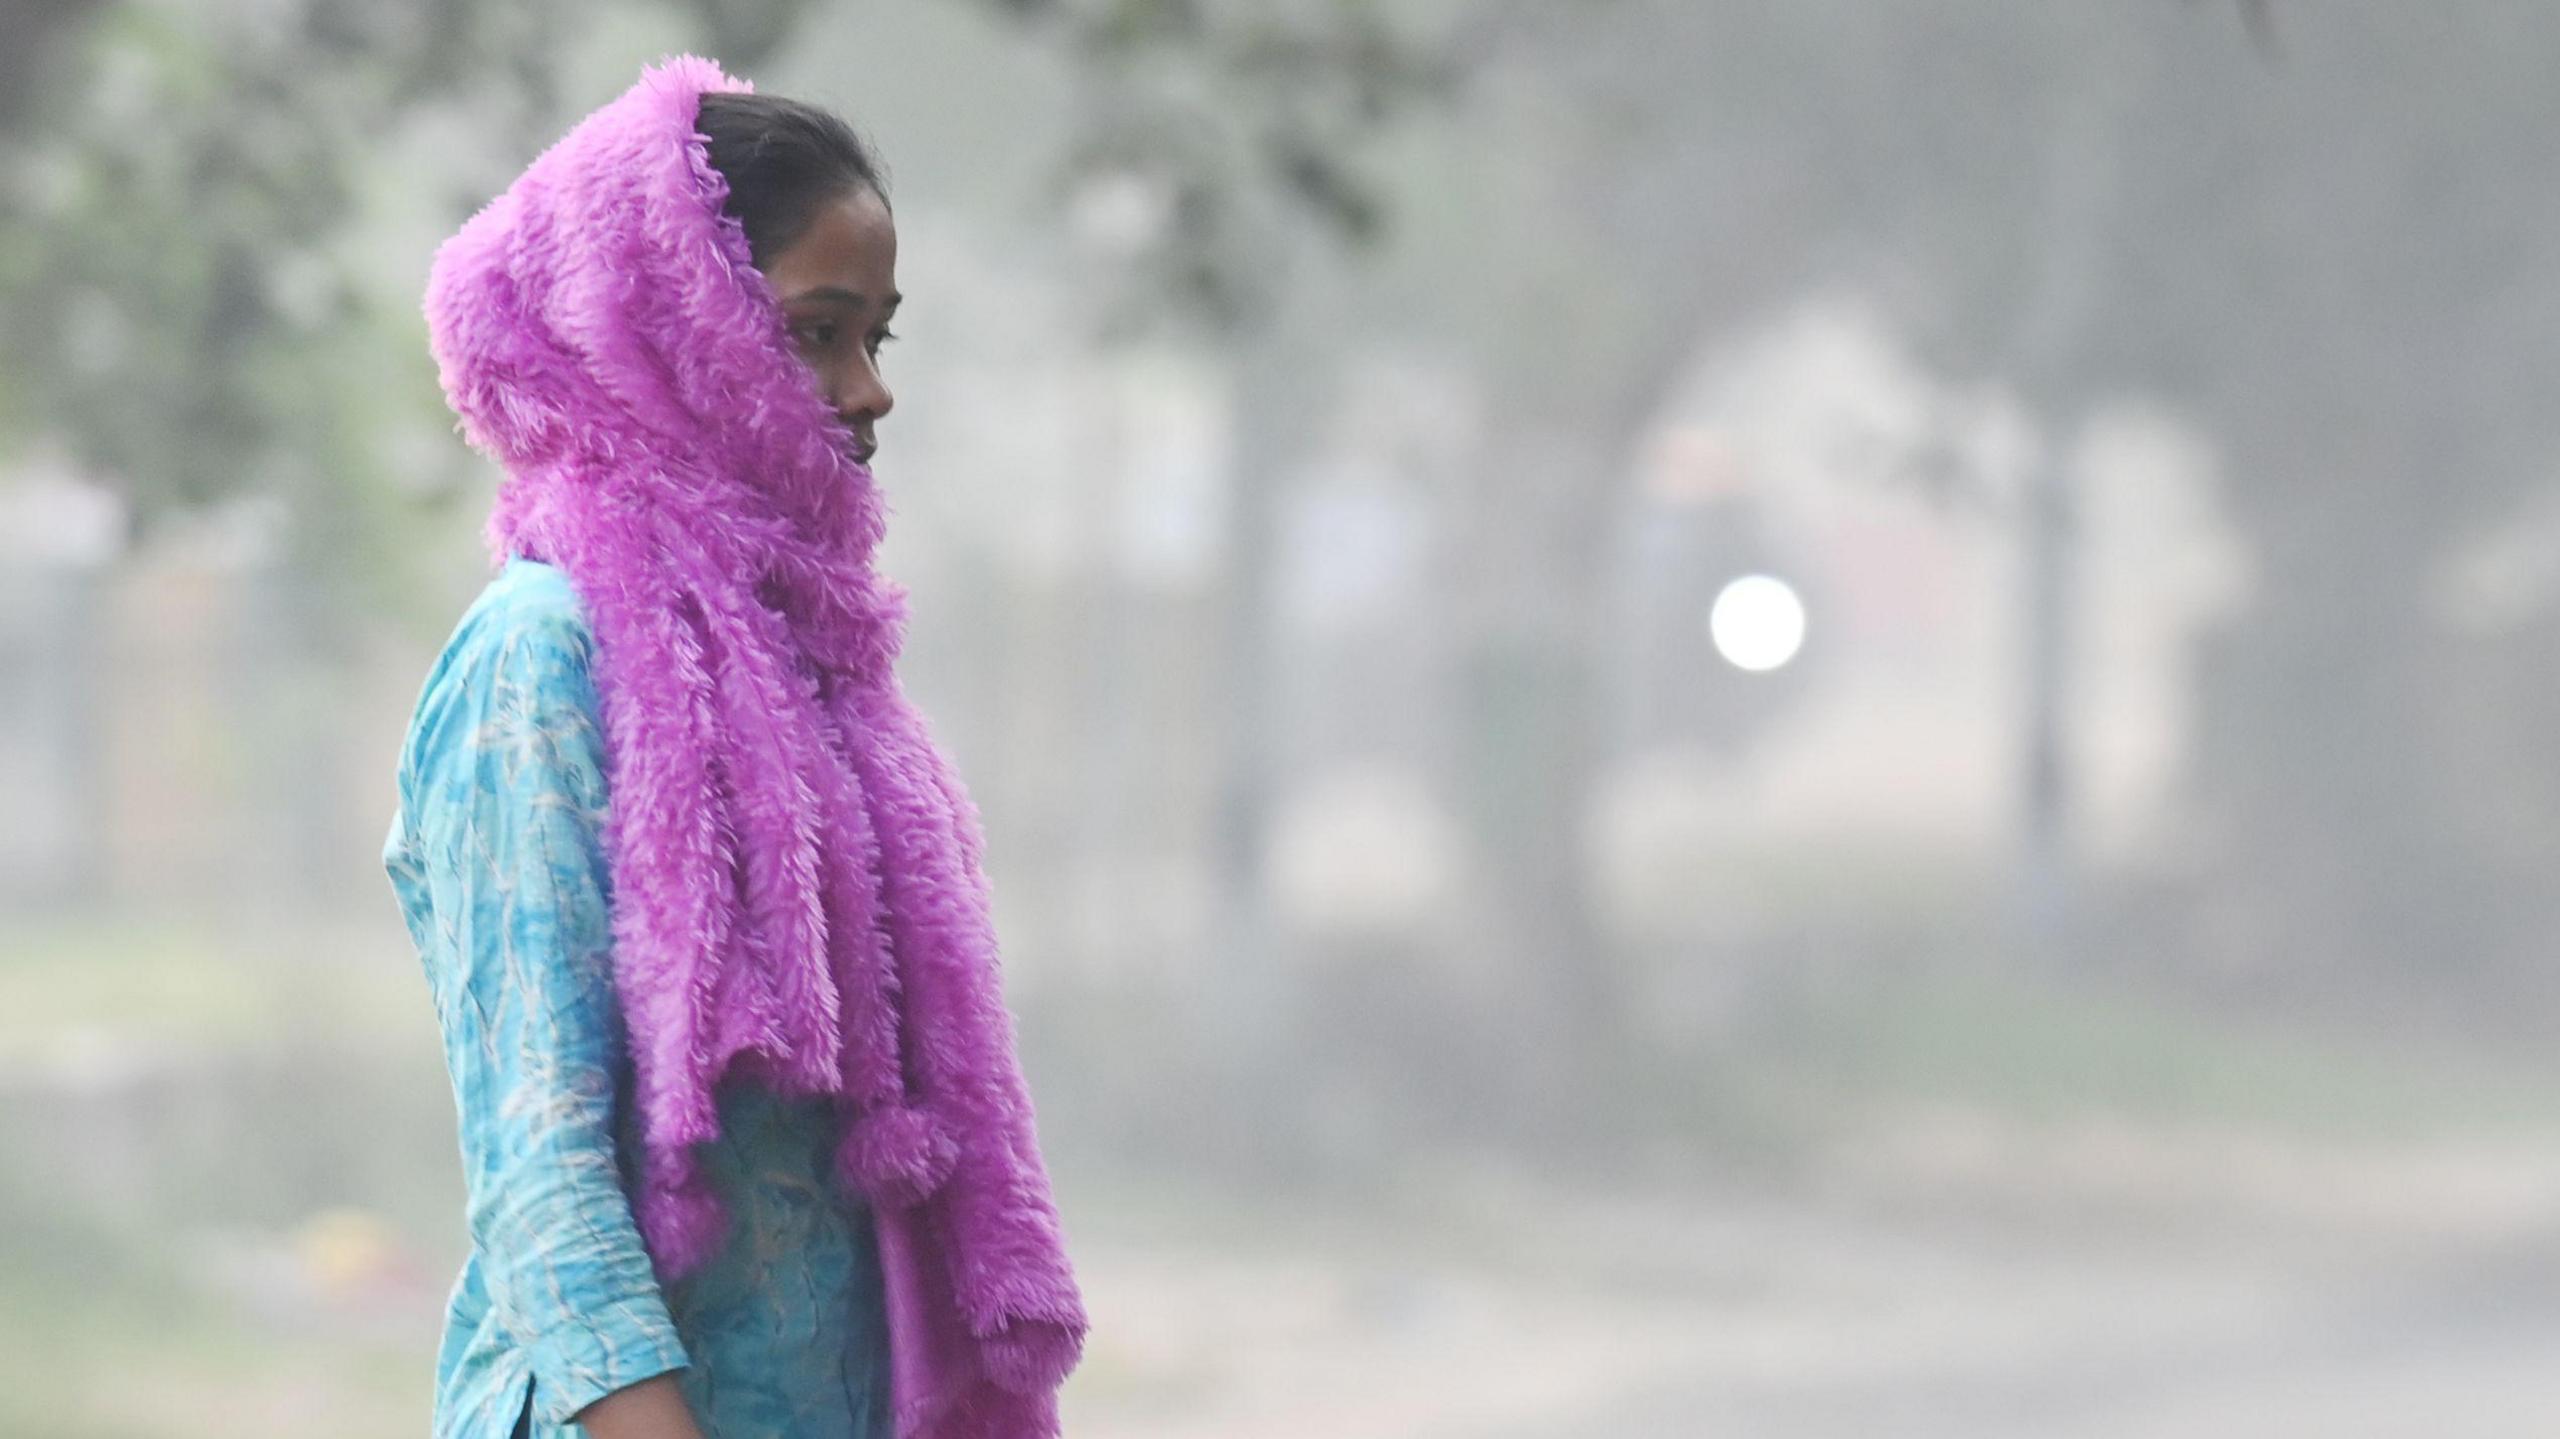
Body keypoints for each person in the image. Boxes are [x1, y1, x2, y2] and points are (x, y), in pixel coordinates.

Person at [382, 56, 1086, 1439]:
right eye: (818, 331)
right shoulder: (543, 658)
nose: (868, 390)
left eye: (880, 339)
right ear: (668, 326)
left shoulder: (818, 675)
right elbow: (542, 1170)